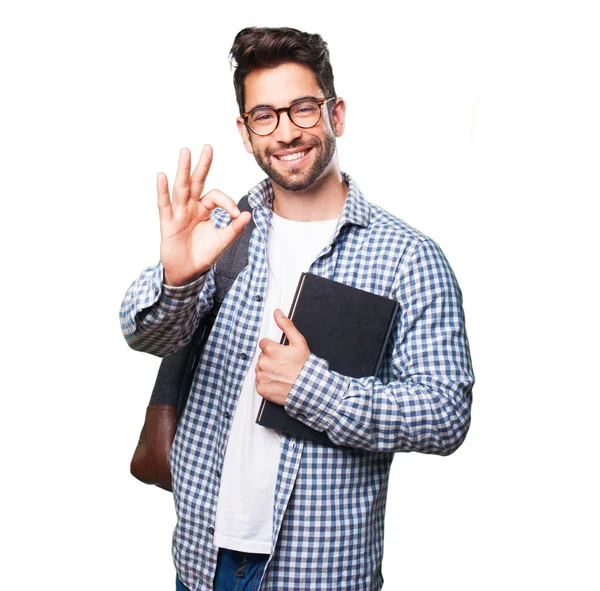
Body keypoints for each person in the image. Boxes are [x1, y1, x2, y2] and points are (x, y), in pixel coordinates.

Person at [120, 26, 474, 591]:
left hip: (321, 571)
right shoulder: (223, 229)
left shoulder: (408, 257)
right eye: (264, 115)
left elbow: (446, 414)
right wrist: (178, 276)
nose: (285, 132)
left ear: (335, 114)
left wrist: (314, 387)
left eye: (302, 109)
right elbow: (144, 335)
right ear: (244, 130)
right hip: (201, 560)